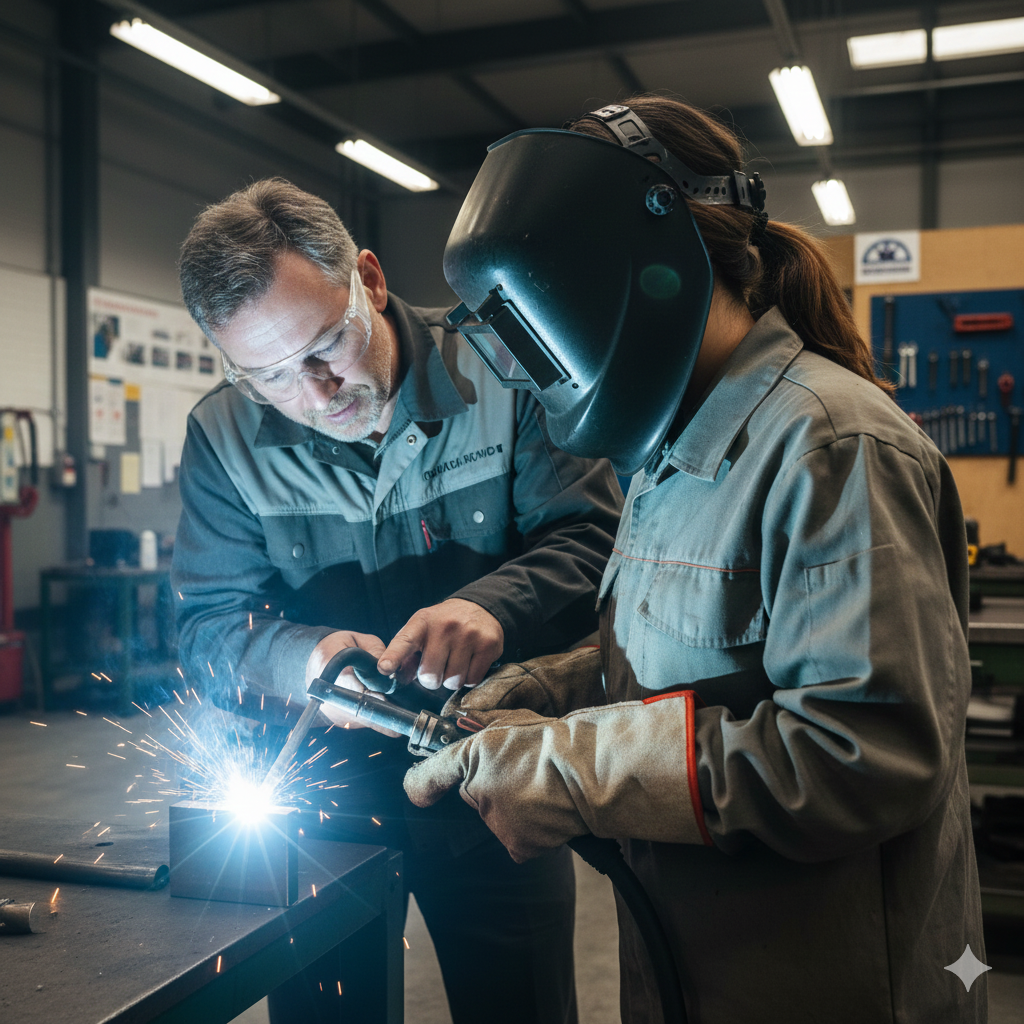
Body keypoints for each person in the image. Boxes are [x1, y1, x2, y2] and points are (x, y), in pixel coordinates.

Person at [405, 98, 986, 1023]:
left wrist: (569, 769)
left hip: (826, 993)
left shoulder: (829, 445)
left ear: (627, 265)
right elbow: (698, 655)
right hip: (694, 976)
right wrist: (550, 691)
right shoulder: (669, 457)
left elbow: (866, 754)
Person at [172, 178, 623, 1024]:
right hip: (320, 808)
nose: (313, 393)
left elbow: (595, 537)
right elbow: (206, 626)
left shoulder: (506, 373)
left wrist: (495, 604)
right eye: (266, 375)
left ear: (369, 281)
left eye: (325, 346)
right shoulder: (223, 436)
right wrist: (302, 657)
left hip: (492, 784)